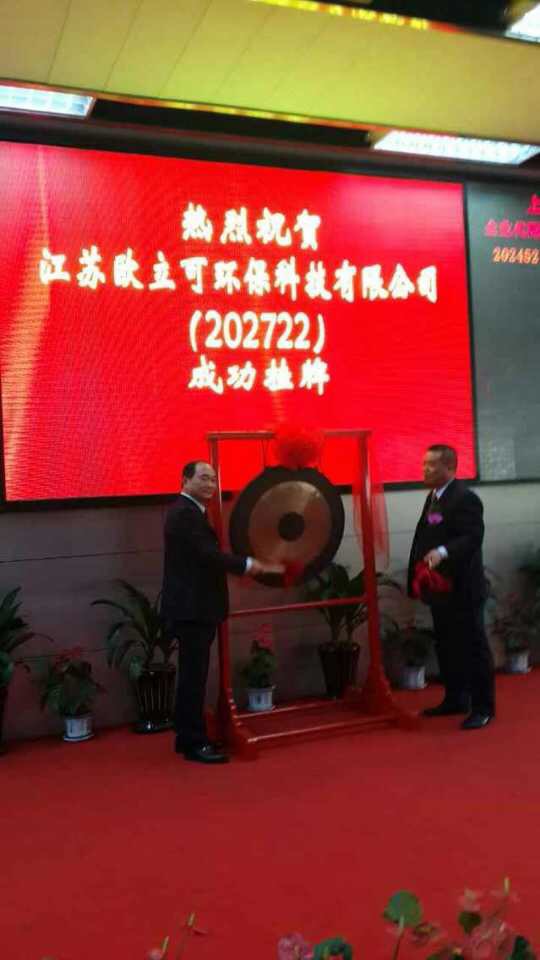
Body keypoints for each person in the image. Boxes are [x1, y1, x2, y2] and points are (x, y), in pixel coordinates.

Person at [161, 460, 284, 764]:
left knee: (193, 676)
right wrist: (250, 565)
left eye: (213, 479)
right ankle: (193, 743)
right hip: (192, 609)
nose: (209, 484)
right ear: (184, 480)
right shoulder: (184, 514)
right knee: (194, 678)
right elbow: (208, 556)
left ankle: (187, 737)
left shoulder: (191, 512)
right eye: (203, 478)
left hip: (196, 607)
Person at [407, 444, 495, 730]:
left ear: (450, 467)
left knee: (473, 647)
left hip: (464, 587)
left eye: (431, 464)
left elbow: (472, 537)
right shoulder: (434, 497)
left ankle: (483, 707)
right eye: (424, 464)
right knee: (447, 646)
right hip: (440, 588)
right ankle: (456, 699)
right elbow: (427, 534)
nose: (425, 469)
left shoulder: (465, 498)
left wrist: (443, 552)